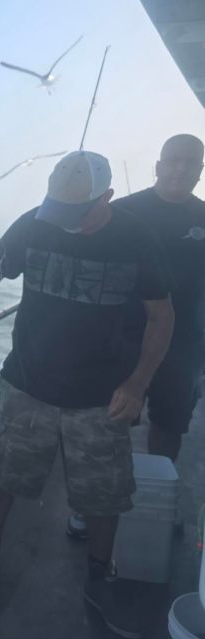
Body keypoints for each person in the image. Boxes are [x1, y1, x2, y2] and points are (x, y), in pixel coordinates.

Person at [0, 151, 173, 639]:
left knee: (104, 497)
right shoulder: (34, 225)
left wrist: (138, 382)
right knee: (4, 477)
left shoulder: (136, 238)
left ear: (105, 198)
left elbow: (161, 316)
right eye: (57, 210)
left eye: (76, 212)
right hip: (26, 384)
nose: (64, 223)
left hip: (102, 397)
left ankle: (98, 579)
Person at [114, 134, 205, 462]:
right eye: (173, 160)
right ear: (158, 166)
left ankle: (162, 491)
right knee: (113, 421)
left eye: (191, 161)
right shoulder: (121, 213)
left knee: (170, 425)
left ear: (201, 169)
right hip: (124, 338)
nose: (180, 169)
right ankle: (102, 497)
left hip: (184, 345)